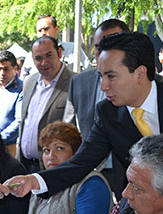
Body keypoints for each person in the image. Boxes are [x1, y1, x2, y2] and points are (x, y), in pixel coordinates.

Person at [7, 31, 163, 214]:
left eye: (111, 76)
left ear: (139, 73)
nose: (103, 86)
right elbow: (82, 162)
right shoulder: (107, 113)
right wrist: (34, 181)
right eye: (101, 76)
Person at [26, 122, 113, 214]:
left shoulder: (91, 184)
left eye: (59, 148)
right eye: (46, 150)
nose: (51, 156)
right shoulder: (41, 182)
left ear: (77, 153)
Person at [63, 19, 129, 196]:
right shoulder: (78, 82)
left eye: (112, 45)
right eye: (100, 47)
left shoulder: (144, 83)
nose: (104, 53)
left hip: (127, 176)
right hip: (86, 173)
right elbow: (68, 130)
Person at [18, 36, 74, 173]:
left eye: (49, 55)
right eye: (38, 58)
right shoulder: (29, 82)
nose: (44, 62)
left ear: (59, 53)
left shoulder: (75, 82)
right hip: (24, 164)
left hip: (54, 168)